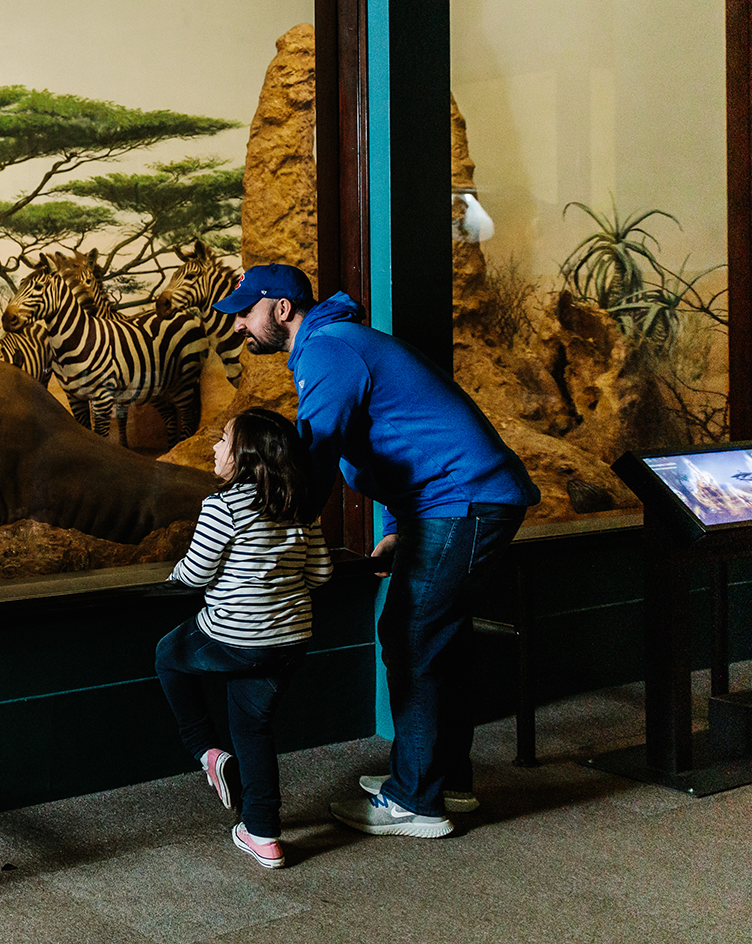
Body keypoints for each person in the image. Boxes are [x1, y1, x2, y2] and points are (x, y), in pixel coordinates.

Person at [215, 263, 537, 839]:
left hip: (462, 499)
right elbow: (389, 441)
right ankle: (445, 781)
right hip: (454, 501)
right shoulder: (340, 344)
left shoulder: (328, 351)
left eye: (246, 312)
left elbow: (311, 458)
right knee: (440, 636)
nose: (239, 325)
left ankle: (415, 801)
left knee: (411, 635)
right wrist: (394, 522)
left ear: (282, 309)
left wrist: (256, 529)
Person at [155, 406, 333, 869]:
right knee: (253, 727)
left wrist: (172, 574)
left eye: (223, 440)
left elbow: (195, 574)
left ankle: (205, 751)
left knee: (167, 656)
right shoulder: (302, 504)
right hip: (290, 642)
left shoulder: (222, 505)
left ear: (246, 455)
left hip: (232, 639)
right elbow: (321, 573)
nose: (215, 447)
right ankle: (264, 835)